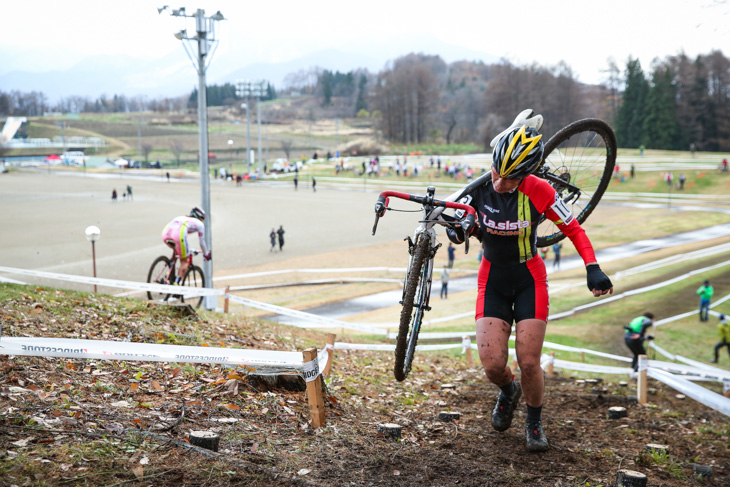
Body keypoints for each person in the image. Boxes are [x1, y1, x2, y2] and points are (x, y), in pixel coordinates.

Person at [445, 123, 613, 452]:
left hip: (529, 279)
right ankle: (509, 391)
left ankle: (534, 422)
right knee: (493, 364)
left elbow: (574, 229)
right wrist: (458, 230)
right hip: (492, 278)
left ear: (525, 176)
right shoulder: (478, 188)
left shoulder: (541, 191)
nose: (499, 181)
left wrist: (593, 267)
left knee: (529, 361)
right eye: (496, 171)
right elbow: (459, 225)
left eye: (509, 178)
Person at [161, 207, 211, 284]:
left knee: (176, 253)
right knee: (184, 260)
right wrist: (206, 254)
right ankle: (176, 283)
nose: (202, 221)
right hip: (178, 234)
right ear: (199, 217)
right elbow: (201, 242)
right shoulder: (199, 224)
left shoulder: (181, 217)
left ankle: (169, 273)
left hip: (166, 233)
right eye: (202, 219)